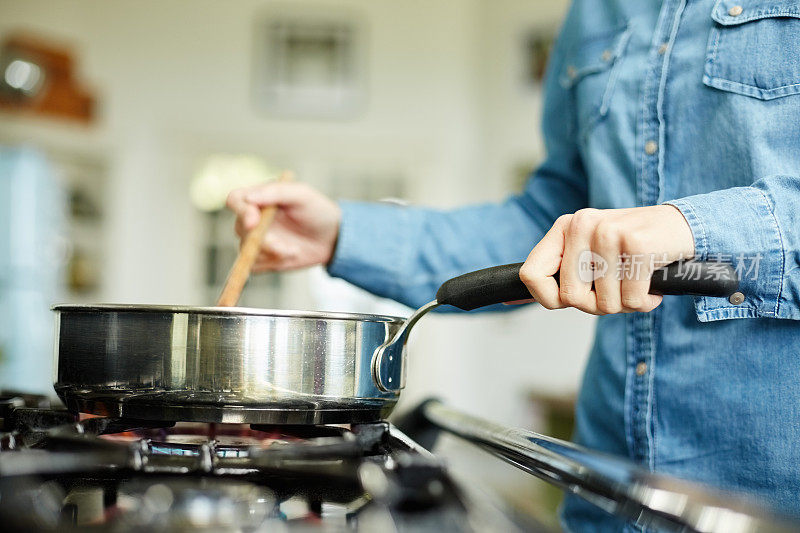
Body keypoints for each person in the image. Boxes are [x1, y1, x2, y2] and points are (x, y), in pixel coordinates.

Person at [226, 0, 800, 530]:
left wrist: (697, 229)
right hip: (607, 499)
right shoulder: (595, 12)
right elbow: (548, 225)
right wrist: (346, 235)